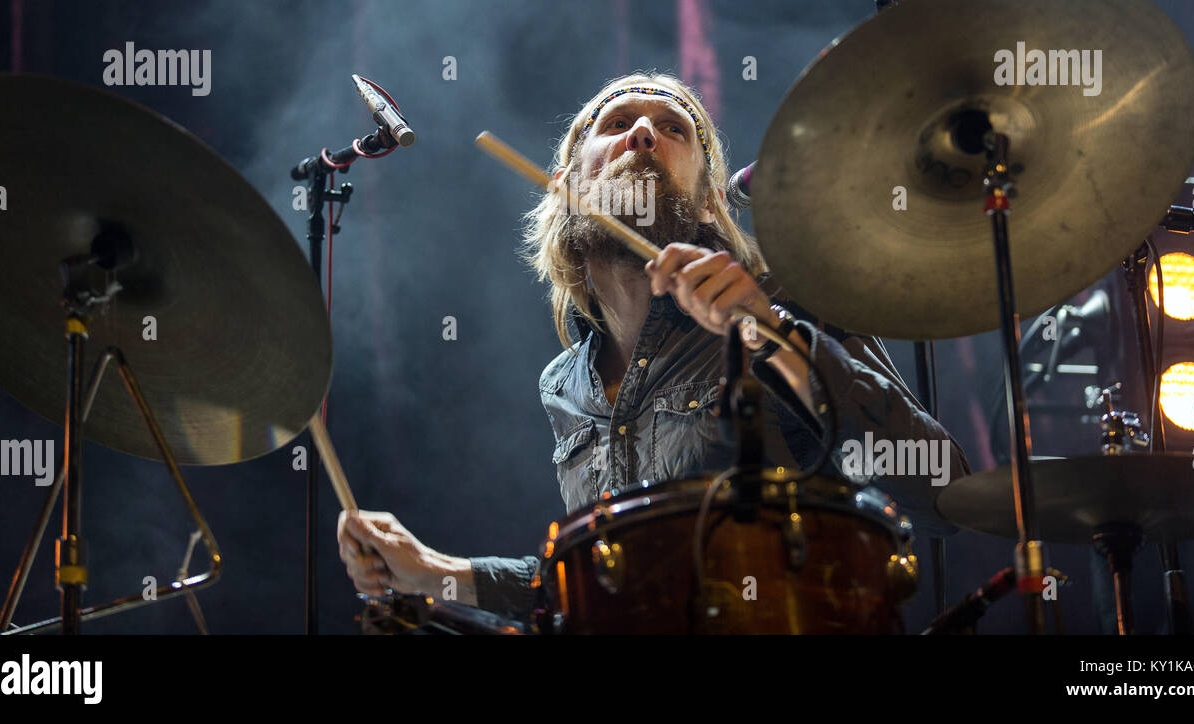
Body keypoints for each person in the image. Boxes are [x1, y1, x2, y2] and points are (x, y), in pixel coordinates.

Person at [338, 72, 970, 622]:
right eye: (615, 123)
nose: (642, 132)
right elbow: (599, 591)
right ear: (564, 186)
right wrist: (433, 571)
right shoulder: (564, 384)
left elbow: (942, 495)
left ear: (708, 200)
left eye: (674, 127)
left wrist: (769, 334)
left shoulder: (783, 306)